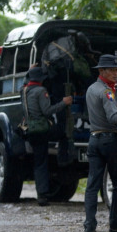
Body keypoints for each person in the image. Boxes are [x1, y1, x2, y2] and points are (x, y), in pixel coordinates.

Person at [83, 54, 117, 232]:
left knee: (92, 184)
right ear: (101, 71)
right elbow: (113, 118)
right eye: (111, 70)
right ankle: (116, 224)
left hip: (94, 139)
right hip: (109, 140)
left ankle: (90, 224)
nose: (115, 73)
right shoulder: (106, 92)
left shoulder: (92, 89)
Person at [23, 66, 72, 206]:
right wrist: (64, 102)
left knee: (39, 162)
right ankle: (43, 195)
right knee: (63, 133)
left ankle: (42, 193)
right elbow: (47, 110)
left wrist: (29, 70)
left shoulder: (24, 90)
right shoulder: (41, 91)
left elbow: (24, 81)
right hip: (41, 131)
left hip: (30, 131)